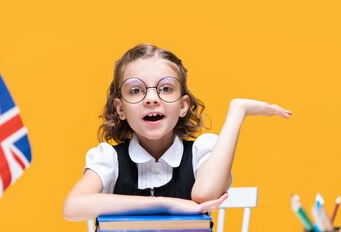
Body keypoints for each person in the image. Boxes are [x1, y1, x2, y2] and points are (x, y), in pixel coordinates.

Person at [63, 43, 291, 221]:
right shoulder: (109, 159)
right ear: (120, 109)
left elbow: (205, 195)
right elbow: (72, 207)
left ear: (183, 106)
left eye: (165, 88)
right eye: (135, 90)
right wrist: (163, 204)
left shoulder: (201, 152)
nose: (152, 99)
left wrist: (237, 112)